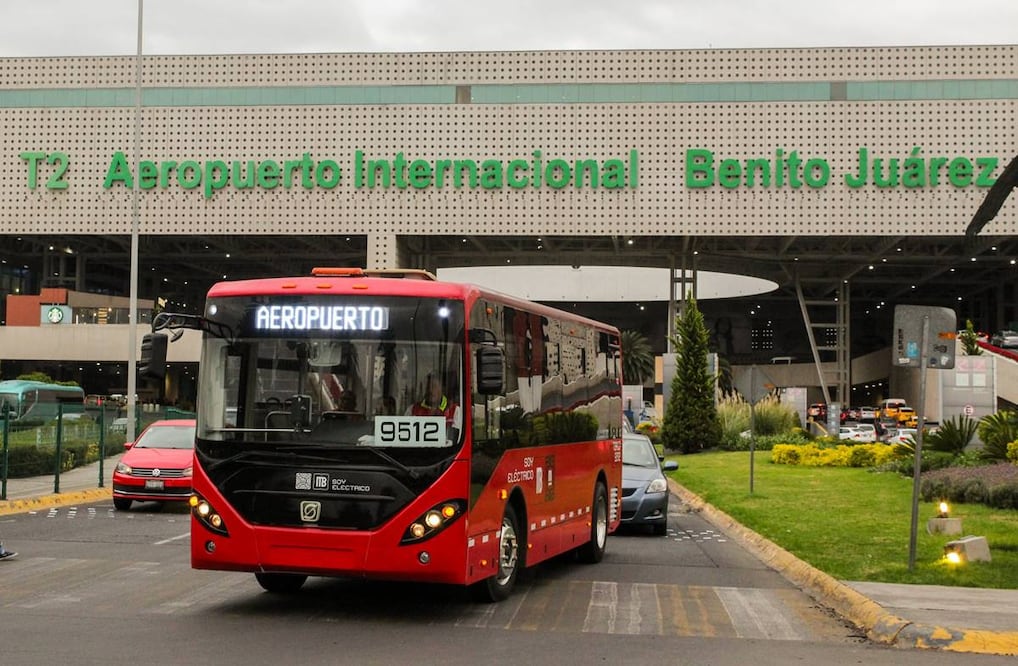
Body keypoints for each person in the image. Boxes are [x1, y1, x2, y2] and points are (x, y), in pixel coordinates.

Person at [409, 374, 461, 440]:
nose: (430, 390)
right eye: (428, 386)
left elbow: (456, 440)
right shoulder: (412, 410)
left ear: (442, 389)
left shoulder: (455, 411)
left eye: (434, 386)